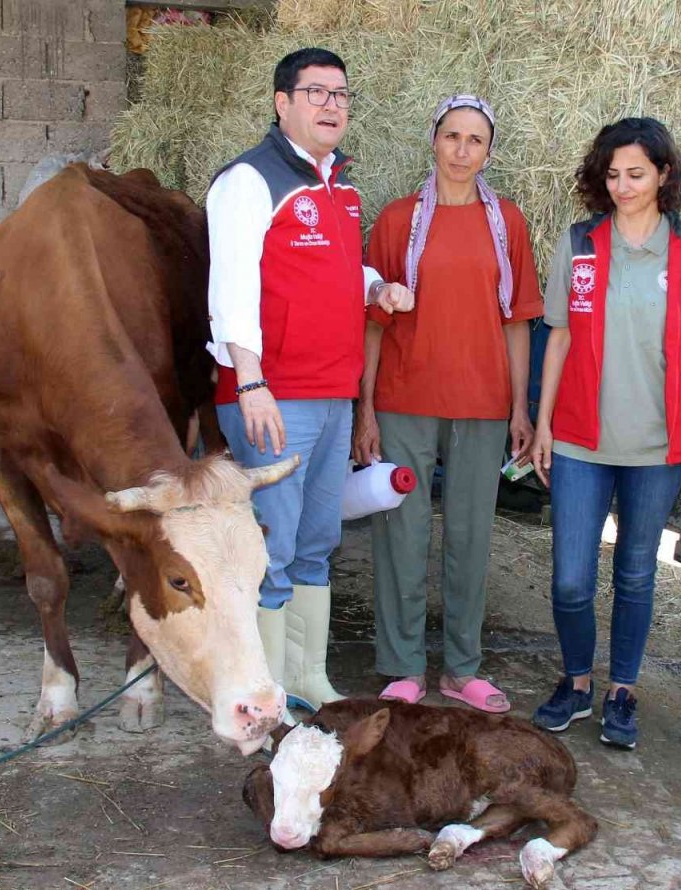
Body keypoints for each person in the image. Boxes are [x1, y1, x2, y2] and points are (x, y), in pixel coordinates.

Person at [204, 48, 414, 712]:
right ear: (281, 102)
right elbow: (230, 289)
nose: (331, 105)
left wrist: (377, 285)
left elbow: (331, 272)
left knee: (318, 541)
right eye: (316, 92)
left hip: (330, 392)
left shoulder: (340, 188)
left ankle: (307, 677)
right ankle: (264, 689)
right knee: (275, 543)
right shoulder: (248, 180)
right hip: (274, 394)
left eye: (341, 95)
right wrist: (249, 381)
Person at [528, 117, 681, 750]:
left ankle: (623, 691)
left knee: (637, 573)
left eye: (635, 174)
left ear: (664, 175)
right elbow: (557, 335)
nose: (622, 186)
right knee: (570, 577)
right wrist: (542, 423)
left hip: (657, 445)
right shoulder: (580, 242)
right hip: (581, 440)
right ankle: (578, 681)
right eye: (612, 174)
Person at [354, 94, 544, 712]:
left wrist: (520, 406)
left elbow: (518, 321)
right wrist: (365, 411)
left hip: (483, 403)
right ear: (433, 140)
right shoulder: (396, 220)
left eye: (476, 141)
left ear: (489, 152)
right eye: (452, 136)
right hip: (405, 397)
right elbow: (373, 322)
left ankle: (463, 668)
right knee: (401, 534)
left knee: (471, 537)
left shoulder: (507, 222)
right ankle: (403, 666)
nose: (462, 151)